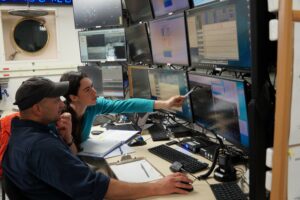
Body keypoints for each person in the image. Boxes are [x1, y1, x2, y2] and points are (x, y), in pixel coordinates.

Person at [2, 77, 193, 200]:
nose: (62, 104)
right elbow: (95, 188)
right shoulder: (41, 145)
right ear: (37, 108)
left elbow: (72, 163)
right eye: (55, 101)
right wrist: (157, 187)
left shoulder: (29, 132)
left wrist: (67, 138)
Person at [60, 71, 185, 151]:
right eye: (87, 90)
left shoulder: (93, 106)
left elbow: (126, 104)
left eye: (92, 86)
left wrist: (166, 103)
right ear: (73, 97)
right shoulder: (61, 120)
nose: (94, 92)